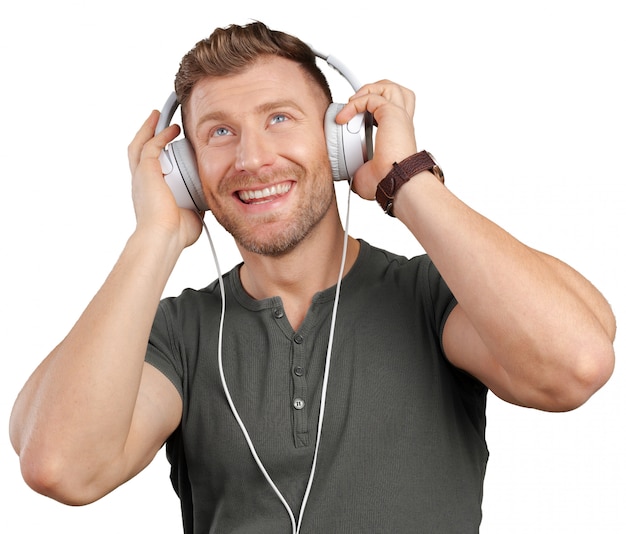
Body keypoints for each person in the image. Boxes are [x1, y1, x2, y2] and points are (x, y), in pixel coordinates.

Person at [9, 21, 616, 533]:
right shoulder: (175, 335)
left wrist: (407, 181)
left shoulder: (435, 296)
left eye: (280, 118)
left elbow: (578, 363)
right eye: (219, 132)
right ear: (185, 172)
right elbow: (60, 466)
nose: (251, 159)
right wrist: (154, 237)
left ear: (341, 140)